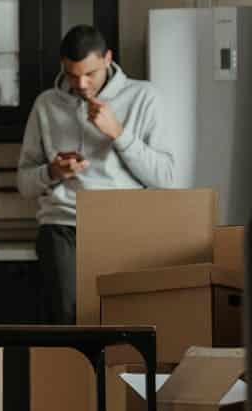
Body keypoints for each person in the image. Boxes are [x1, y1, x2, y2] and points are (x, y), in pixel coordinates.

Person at [17, 25, 176, 325]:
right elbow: (24, 185)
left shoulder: (144, 97)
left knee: (125, 323)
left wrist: (117, 132)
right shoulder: (46, 105)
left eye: (90, 73)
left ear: (108, 59)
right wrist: (53, 171)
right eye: (72, 75)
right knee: (66, 323)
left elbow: (165, 178)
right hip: (62, 226)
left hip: (125, 225)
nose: (82, 83)